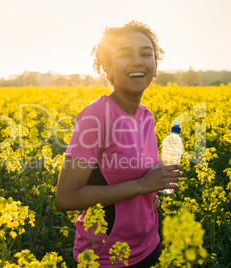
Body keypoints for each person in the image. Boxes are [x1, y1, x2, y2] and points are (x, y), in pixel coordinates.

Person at [56, 21, 182, 268]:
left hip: (149, 246)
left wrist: (150, 192)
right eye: (124, 54)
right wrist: (141, 185)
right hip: (104, 257)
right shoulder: (96, 116)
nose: (137, 61)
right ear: (108, 69)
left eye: (146, 54)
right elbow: (67, 198)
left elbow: (132, 175)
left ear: (155, 67)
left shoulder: (146, 116)